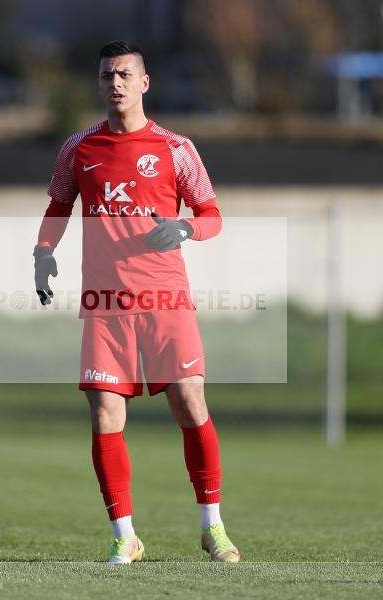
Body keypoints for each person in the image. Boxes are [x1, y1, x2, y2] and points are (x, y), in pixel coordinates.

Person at [34, 41, 240, 563]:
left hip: (166, 300)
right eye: (106, 76)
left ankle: (212, 525)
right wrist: (42, 252)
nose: (115, 83)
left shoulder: (175, 147)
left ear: (144, 83)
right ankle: (125, 534)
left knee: (191, 404)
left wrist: (186, 227)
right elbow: (59, 206)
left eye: (125, 74)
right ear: (99, 84)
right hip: (105, 306)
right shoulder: (79, 148)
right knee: (105, 413)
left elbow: (213, 213)